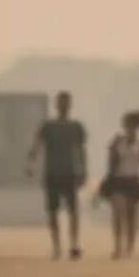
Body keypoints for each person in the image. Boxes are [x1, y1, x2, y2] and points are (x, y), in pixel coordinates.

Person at [27, 91, 87, 260]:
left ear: (70, 105)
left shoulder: (76, 127)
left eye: (66, 103)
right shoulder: (48, 126)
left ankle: (74, 244)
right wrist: (31, 163)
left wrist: (83, 170)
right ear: (57, 105)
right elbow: (36, 145)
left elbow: (81, 151)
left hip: (69, 172)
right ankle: (57, 246)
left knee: (73, 211)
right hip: (52, 172)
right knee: (52, 212)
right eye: (61, 103)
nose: (63, 106)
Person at [101, 111, 139, 259]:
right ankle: (117, 247)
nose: (130, 128)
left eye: (133, 126)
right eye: (127, 125)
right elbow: (110, 163)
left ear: (137, 127)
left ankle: (130, 247)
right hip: (118, 180)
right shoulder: (117, 142)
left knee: (131, 216)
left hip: (134, 180)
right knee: (118, 213)